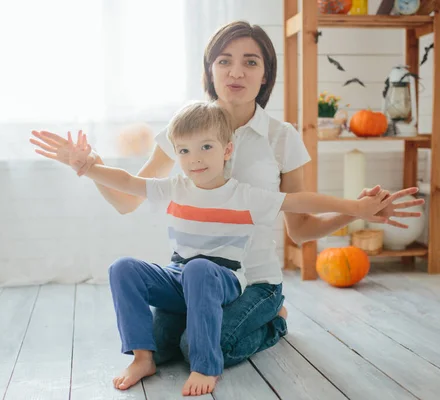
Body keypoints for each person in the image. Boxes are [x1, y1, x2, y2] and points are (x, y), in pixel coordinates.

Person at [30, 20, 424, 397]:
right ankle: (166, 343)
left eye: (251, 61)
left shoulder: (280, 137)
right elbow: (128, 198)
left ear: (266, 74)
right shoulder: (183, 130)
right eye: (224, 60)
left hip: (251, 282)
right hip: (190, 279)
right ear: (210, 68)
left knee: (198, 348)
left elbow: (300, 228)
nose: (236, 71)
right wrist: (89, 165)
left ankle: (274, 319)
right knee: (164, 346)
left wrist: (357, 210)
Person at [51, 100, 395, 396]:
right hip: (180, 276)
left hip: (226, 281)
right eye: (184, 150)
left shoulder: (244, 196)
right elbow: (127, 182)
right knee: (123, 267)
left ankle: (208, 364)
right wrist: (88, 166)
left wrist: (356, 208)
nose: (194, 159)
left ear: (227, 149)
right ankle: (143, 358)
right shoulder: (175, 187)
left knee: (200, 270)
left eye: (206, 147)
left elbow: (300, 199)